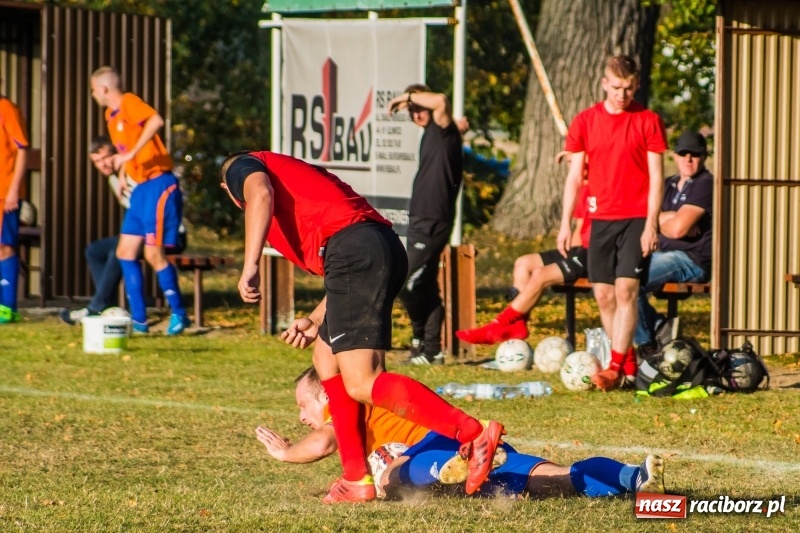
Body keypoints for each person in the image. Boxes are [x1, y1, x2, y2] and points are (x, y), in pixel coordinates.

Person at [219, 150, 505, 503]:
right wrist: (317, 319)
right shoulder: (298, 180)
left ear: (228, 188)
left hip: (357, 250)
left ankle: (473, 434)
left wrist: (250, 266)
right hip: (371, 249)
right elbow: (345, 271)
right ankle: (357, 478)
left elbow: (260, 193)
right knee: (325, 358)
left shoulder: (241, 167)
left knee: (363, 381)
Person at [256, 366, 667, 500]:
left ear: (324, 397)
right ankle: (634, 477)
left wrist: (285, 454)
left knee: (389, 477)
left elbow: (325, 441)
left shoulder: (347, 398)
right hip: (479, 448)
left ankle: (446, 467)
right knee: (551, 479)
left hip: (437, 444)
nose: (299, 416)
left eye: (302, 405)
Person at [559, 55, 668, 392]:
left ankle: (614, 365)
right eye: (617, 87)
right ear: (605, 83)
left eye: (629, 88)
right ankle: (627, 365)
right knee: (604, 295)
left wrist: (652, 224)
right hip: (599, 218)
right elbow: (575, 176)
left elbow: (657, 176)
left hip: (636, 217)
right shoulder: (585, 121)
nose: (623, 94)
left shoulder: (648, 120)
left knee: (626, 290)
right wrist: (566, 223)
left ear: (636, 85)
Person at [90, 66, 190, 335]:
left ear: (103, 89)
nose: (93, 95)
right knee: (124, 252)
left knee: (153, 253)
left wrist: (131, 155)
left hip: (159, 183)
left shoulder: (128, 102)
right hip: (141, 189)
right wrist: (124, 172)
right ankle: (139, 321)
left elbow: (156, 121)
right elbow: (124, 149)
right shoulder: (110, 116)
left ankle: (180, 314)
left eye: (93, 89)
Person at [456, 153, 590, 345]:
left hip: (593, 253)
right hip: (577, 250)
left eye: (572, 160)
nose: (569, 164)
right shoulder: (580, 187)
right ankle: (518, 325)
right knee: (524, 263)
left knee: (540, 274)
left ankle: (498, 325)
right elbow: (580, 226)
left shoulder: (599, 182)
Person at [60, 137, 187, 325]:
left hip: (169, 232)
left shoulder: (136, 173)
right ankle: (108, 304)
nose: (103, 164)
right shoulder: (115, 178)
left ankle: (97, 307)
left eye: (106, 158)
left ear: (117, 155)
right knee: (94, 251)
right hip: (142, 232)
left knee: (120, 251)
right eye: (97, 161)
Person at [385, 85, 464, 365]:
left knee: (404, 280)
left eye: (418, 106)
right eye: (411, 110)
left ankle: (426, 344)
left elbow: (442, 99)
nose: (415, 113)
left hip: (435, 218)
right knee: (423, 285)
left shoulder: (443, 127)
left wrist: (405, 96)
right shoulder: (433, 132)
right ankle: (429, 349)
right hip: (420, 217)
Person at [635, 131, 713, 354]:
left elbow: (678, 230)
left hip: (691, 260)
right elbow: (644, 218)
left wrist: (660, 219)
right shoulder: (668, 184)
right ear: (675, 156)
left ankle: (646, 346)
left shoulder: (705, 184)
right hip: (662, 254)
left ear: (704, 156)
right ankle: (659, 326)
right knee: (621, 276)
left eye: (695, 155)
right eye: (683, 153)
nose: (688, 159)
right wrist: (670, 217)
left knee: (631, 281)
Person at [0, 83, 29, 324]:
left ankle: (8, 308)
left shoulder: (6, 108)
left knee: (5, 247)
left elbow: (22, 149)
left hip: (5, 191)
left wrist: (13, 190)